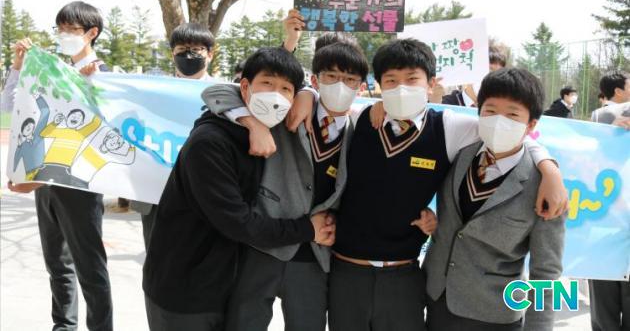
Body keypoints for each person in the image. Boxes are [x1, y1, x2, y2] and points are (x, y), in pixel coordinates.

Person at [290, 39, 565, 331]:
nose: (401, 89)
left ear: (431, 83)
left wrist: (549, 168)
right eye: (391, 81)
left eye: (412, 79)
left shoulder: (449, 129)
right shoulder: (360, 119)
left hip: (412, 281)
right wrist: (307, 92)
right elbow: (328, 104)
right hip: (352, 273)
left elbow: (511, 137)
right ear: (379, 84)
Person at [201, 40, 404, 331]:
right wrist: (256, 123)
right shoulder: (288, 109)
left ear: (361, 87)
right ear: (315, 80)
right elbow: (216, 92)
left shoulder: (360, 130)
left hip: (314, 254)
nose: (340, 85)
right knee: (243, 323)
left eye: (350, 80)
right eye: (331, 77)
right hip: (263, 244)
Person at [142, 47, 334, 331]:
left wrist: (309, 94)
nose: (276, 96)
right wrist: (308, 229)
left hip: (223, 285)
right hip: (184, 290)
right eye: (267, 83)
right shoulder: (211, 143)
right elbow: (238, 223)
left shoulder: (259, 129)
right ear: (245, 87)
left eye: (286, 89)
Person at [423, 68, 567, 331]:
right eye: (490, 111)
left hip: (496, 314)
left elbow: (547, 272)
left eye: (512, 115)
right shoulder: (457, 153)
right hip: (436, 299)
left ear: (531, 125)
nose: (499, 121)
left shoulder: (545, 188)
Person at [4, 1, 113, 331]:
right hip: (45, 182)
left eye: (71, 29)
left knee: (90, 269)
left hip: (80, 184)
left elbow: (101, 132)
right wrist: (18, 67)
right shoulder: (52, 72)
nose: (64, 35)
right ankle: (63, 326)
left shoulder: (105, 75)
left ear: (92, 33)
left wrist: (88, 87)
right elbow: (9, 106)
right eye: (60, 29)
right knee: (57, 264)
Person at [129, 22, 216, 249]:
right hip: (155, 193)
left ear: (210, 54)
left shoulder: (224, 95)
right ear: (172, 54)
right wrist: (90, 79)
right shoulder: (151, 92)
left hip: (205, 193)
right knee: (157, 258)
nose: (188, 55)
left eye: (196, 49)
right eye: (182, 49)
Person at [588, 71, 630, 331]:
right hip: (607, 221)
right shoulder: (602, 118)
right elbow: (587, 163)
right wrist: (610, 136)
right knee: (604, 309)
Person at [440, 46, 507, 107]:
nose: (492, 79)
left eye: (498, 74)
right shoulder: (445, 105)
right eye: (488, 71)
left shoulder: (499, 110)